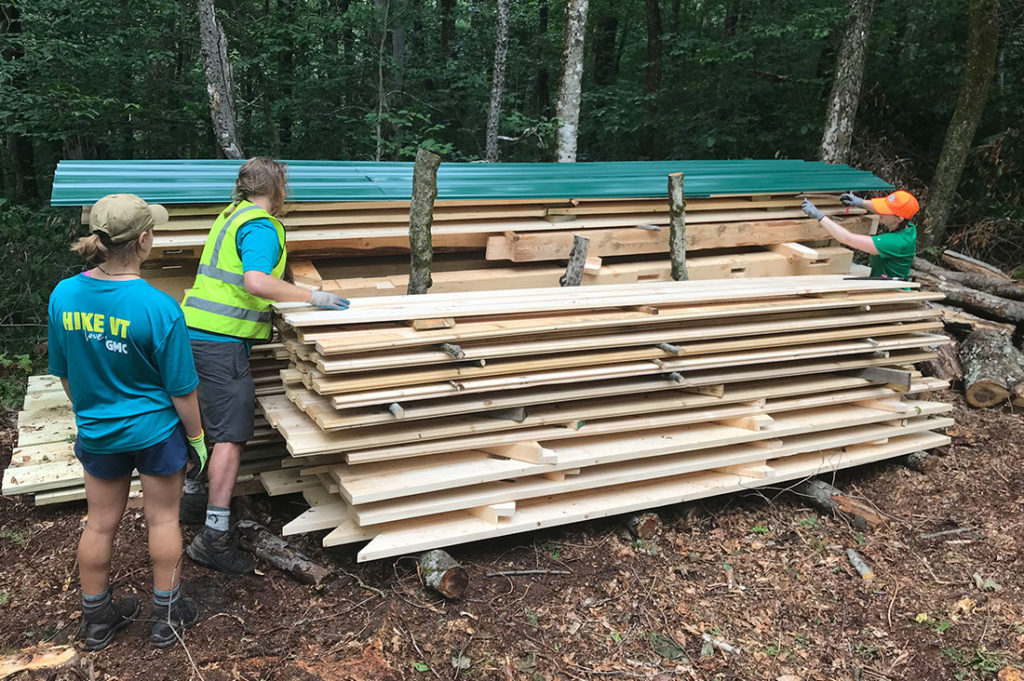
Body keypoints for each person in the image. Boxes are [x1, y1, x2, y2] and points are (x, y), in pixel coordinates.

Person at [48, 194, 209, 650]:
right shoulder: (159, 308)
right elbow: (181, 388)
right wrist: (196, 438)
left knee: (99, 524)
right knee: (163, 520)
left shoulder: (64, 295)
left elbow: (63, 372)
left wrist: (89, 413)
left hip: (99, 433)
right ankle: (167, 614)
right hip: (155, 433)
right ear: (143, 240)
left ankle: (97, 619)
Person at [179, 157, 349, 574]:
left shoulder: (232, 215)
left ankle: (193, 499)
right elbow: (256, 282)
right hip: (219, 342)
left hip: (194, 333)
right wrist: (311, 297)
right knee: (232, 435)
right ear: (276, 186)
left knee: (204, 423)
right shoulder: (260, 225)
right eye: (285, 183)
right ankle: (213, 538)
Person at [801, 189, 920, 278]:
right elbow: (882, 211)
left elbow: (848, 239)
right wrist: (860, 202)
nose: (880, 211)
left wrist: (820, 216)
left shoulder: (894, 242)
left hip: (892, 293)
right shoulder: (909, 228)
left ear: (899, 219)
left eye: (885, 211)